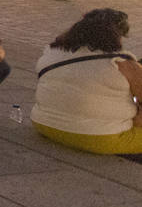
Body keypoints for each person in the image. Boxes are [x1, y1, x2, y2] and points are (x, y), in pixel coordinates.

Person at [32, 9, 142, 154]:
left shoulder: (51, 53)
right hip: (99, 138)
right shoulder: (122, 63)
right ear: (116, 36)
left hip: (44, 124)